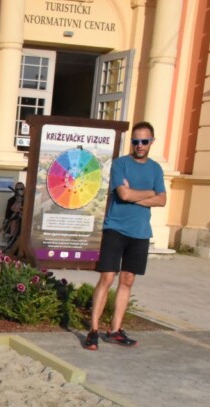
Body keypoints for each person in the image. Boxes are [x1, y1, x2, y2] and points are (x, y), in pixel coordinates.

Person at [84, 122, 166, 350]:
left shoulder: (155, 169)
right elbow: (123, 194)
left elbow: (162, 200)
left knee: (128, 280)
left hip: (140, 232)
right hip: (116, 229)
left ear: (151, 142)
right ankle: (93, 330)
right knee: (107, 278)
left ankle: (115, 330)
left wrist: (135, 195)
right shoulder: (120, 164)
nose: (140, 145)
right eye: (136, 141)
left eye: (144, 141)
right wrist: (149, 193)